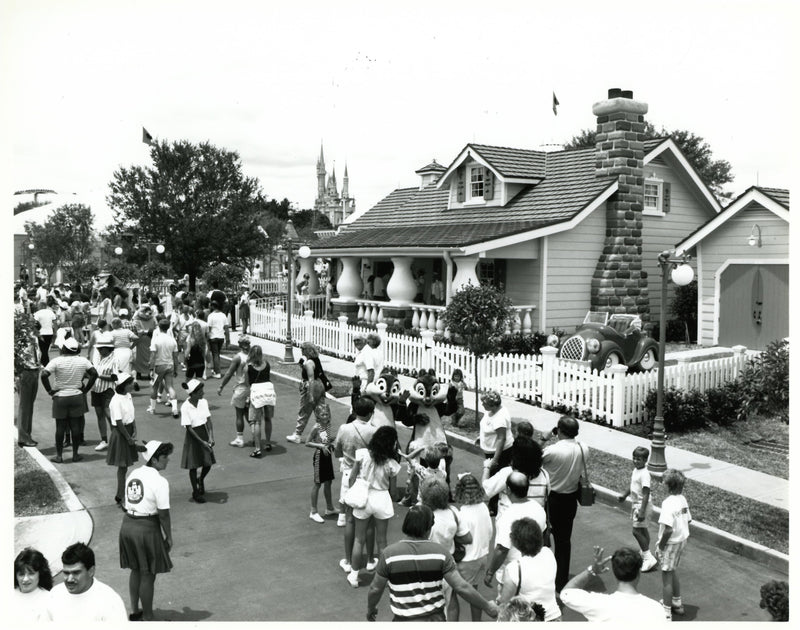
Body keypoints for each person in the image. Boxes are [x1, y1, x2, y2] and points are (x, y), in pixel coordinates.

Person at [366, 505, 499, 622]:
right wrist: (488, 607)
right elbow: (461, 587)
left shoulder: (389, 554)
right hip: (434, 620)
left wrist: (371, 608)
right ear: (428, 529)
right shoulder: (441, 553)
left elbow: (375, 588)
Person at [120, 440, 174, 621]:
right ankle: (148, 618)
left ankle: (135, 611)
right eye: (165, 457)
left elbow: (125, 502)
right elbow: (164, 514)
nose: (167, 460)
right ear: (155, 459)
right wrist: (169, 537)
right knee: (148, 574)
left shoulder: (134, 473)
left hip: (127, 525)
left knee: (135, 569)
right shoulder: (160, 481)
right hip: (146, 529)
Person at [346, 425, 401, 588]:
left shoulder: (362, 454)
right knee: (382, 541)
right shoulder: (392, 463)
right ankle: (384, 577)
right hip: (382, 498)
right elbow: (393, 491)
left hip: (364, 496)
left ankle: (354, 575)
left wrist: (351, 495)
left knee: (359, 539)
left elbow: (352, 477)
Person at [560, 545, 665, 622]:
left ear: (615, 572)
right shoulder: (656, 610)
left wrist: (592, 570)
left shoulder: (597, 604)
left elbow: (566, 592)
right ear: (638, 572)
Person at [542, 415, 587, 592]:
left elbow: (533, 458)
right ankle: (561, 581)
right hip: (570, 498)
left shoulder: (552, 451)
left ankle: (544, 574)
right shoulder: (583, 448)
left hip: (552, 498)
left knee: (544, 537)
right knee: (563, 541)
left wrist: (544, 438)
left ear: (559, 431)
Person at [484, 472, 547, 594]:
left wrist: (490, 572)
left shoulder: (508, 515)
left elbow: (502, 549)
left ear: (508, 489)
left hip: (511, 574)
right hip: (533, 569)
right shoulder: (538, 508)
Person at [334, 397, 378, 566]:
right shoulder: (374, 431)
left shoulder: (344, 428)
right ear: (370, 413)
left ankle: (348, 559)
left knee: (350, 520)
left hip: (348, 474)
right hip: (366, 477)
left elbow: (337, 452)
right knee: (368, 521)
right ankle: (369, 559)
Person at [420, 477, 472, 612]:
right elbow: (467, 538)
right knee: (452, 600)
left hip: (426, 567)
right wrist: (452, 537)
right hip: (449, 564)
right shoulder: (453, 512)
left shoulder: (421, 514)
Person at [41, 337, 97, 463]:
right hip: (77, 396)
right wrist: (86, 389)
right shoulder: (83, 360)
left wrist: (49, 391)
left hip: (60, 397)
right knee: (75, 426)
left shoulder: (57, 361)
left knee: (60, 427)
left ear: (64, 348)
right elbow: (94, 373)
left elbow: (44, 374)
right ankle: (75, 455)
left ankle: (59, 456)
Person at [447, 473, 492, 622]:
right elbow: (490, 532)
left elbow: (462, 538)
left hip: (467, 560)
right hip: (482, 556)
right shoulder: (484, 508)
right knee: (475, 595)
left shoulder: (462, 513)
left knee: (452, 595)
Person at [498, 518, 561, 621]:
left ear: (515, 542)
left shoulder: (513, 568)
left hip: (529, 619)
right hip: (555, 617)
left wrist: (498, 599)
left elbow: (505, 604)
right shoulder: (548, 553)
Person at [48, 542, 127, 622]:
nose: (69, 579)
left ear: (91, 571)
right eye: (66, 573)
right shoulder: (55, 594)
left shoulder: (110, 601)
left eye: (76, 573)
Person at [656, 468, 692, 620]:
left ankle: (666, 612)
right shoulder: (682, 499)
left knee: (666, 577)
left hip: (671, 543)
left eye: (663, 483)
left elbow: (668, 530)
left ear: (668, 485)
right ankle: (677, 602)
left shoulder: (667, 503)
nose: (661, 485)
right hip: (682, 540)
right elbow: (688, 519)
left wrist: (660, 546)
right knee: (672, 570)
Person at [617, 446, 658, 572]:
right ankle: (645, 551)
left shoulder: (645, 474)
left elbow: (646, 493)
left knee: (636, 531)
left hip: (642, 505)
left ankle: (647, 557)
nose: (635, 461)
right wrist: (624, 495)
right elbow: (632, 486)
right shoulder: (636, 470)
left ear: (645, 460)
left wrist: (641, 510)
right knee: (643, 530)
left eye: (639, 459)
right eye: (634, 458)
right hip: (637, 504)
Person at [476, 389, 514, 517]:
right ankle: (494, 503)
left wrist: (495, 459)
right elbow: (487, 426)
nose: (482, 405)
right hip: (490, 449)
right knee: (494, 476)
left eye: (484, 403)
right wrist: (481, 437)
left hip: (500, 452)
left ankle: (493, 506)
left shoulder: (500, 418)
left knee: (495, 478)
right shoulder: (491, 411)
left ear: (492, 404)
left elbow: (501, 438)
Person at [287, 342, 331, 444]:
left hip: (310, 387)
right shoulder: (316, 360)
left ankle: (297, 434)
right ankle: (323, 436)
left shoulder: (309, 363)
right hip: (320, 386)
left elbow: (310, 379)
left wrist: (310, 395)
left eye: (303, 349)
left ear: (308, 350)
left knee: (304, 411)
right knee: (321, 411)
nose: (301, 350)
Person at [180, 379, 216, 503]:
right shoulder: (185, 407)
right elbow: (189, 428)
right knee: (193, 466)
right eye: (200, 391)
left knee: (208, 463)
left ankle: (200, 480)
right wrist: (202, 442)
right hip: (193, 437)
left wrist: (211, 436)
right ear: (193, 393)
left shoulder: (203, 402)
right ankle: (195, 492)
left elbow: (208, 420)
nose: (203, 393)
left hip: (204, 433)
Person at [107, 372, 139, 507]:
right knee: (122, 467)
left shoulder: (128, 396)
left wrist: (135, 429)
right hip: (121, 434)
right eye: (130, 383)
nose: (133, 385)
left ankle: (120, 495)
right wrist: (128, 438)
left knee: (124, 467)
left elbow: (131, 414)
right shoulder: (115, 401)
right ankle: (121, 496)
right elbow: (119, 422)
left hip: (129, 430)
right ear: (123, 385)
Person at [218, 335, 251, 447]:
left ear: (240, 344)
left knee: (239, 414)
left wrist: (221, 386)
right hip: (252, 389)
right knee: (250, 414)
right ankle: (256, 433)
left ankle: (239, 438)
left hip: (241, 388)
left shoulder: (238, 357)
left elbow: (229, 373)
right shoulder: (254, 356)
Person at [245, 344, 275, 458]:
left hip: (256, 394)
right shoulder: (266, 364)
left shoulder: (248, 367)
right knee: (268, 419)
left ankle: (257, 449)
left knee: (256, 421)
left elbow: (248, 384)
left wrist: (248, 397)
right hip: (268, 393)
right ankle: (268, 443)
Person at [90, 332, 118, 452]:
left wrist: (99, 376)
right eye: (99, 348)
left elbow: (115, 377)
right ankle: (104, 440)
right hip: (96, 389)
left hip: (108, 390)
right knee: (99, 415)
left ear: (108, 349)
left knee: (109, 415)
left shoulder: (114, 359)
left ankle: (116, 440)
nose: (100, 350)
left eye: (102, 348)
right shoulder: (98, 359)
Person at [147, 318, 180, 417]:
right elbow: (175, 357)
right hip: (169, 365)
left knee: (155, 386)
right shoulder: (172, 340)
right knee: (170, 387)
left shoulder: (156, 340)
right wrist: (176, 369)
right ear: (168, 327)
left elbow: (153, 356)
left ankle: (152, 408)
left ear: (159, 327)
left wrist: (151, 369)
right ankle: (174, 408)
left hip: (158, 365)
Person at [306, 419, 337, 522]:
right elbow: (307, 442)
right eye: (323, 414)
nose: (325, 416)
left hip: (327, 455)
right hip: (319, 456)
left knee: (328, 482)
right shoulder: (316, 427)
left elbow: (325, 439)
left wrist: (332, 442)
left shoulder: (328, 425)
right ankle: (313, 511)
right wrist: (320, 446)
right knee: (318, 483)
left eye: (327, 414)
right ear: (318, 416)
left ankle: (330, 508)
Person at [16, 322, 41, 447]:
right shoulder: (22, 341)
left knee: (29, 406)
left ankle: (27, 435)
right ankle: (23, 437)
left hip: (34, 371)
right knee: (25, 406)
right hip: (26, 372)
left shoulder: (35, 340)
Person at [13, 547, 53, 622]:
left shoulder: (49, 599)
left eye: (31, 574)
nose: (25, 579)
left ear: (40, 574)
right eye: (21, 574)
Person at [132, 304, 157, 380]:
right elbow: (156, 327)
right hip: (148, 338)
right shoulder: (152, 318)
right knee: (146, 356)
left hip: (142, 338)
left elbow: (136, 328)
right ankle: (146, 372)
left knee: (141, 356)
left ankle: (141, 373)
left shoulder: (137, 319)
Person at [207, 301, 229, 378]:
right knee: (217, 354)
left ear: (213, 306)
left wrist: (207, 337)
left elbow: (209, 328)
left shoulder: (211, 316)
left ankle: (218, 372)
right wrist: (228, 339)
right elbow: (226, 328)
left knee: (215, 354)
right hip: (221, 336)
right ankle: (216, 369)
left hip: (213, 336)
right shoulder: (223, 315)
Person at [33, 301, 57, 366]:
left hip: (41, 333)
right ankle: (44, 362)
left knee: (43, 349)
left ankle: (45, 363)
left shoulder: (37, 313)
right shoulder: (51, 312)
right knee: (46, 348)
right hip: (50, 332)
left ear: (41, 306)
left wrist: (37, 333)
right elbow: (55, 322)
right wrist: (55, 332)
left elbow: (34, 323)